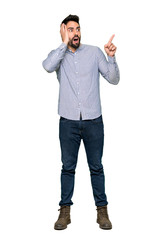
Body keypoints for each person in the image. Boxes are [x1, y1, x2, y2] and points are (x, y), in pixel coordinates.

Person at [42, 14, 120, 230]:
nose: (75, 33)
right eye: (70, 29)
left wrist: (111, 57)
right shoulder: (58, 55)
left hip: (93, 121)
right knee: (68, 167)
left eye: (77, 29)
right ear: (63, 31)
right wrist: (62, 43)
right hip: (68, 122)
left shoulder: (94, 52)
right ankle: (64, 212)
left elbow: (113, 79)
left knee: (96, 167)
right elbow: (47, 66)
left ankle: (102, 212)